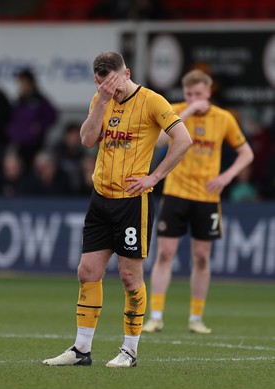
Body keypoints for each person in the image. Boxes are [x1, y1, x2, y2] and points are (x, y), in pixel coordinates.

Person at [42, 51, 192, 368]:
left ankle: (130, 350)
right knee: (87, 272)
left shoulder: (153, 101)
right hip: (100, 198)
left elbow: (183, 139)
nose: (112, 90)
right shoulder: (101, 99)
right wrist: (100, 101)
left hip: (131, 201)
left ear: (127, 73)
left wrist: (155, 176)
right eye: (101, 83)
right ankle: (81, 350)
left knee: (129, 277)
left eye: (114, 83)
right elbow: (86, 140)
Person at [142, 69, 254, 334]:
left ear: (209, 92)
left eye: (198, 94)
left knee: (202, 257)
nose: (194, 98)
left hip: (206, 196)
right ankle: (156, 315)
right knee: (166, 253)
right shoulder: (175, 111)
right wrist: (189, 111)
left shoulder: (223, 118)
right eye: (189, 94)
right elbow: (157, 141)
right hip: (176, 192)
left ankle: (196, 318)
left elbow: (246, 153)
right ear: (184, 93)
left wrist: (226, 177)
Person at [6, 68, 58, 170]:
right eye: (20, 83)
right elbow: (12, 121)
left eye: (23, 83)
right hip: (19, 146)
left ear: (30, 83)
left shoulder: (39, 100)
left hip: (36, 146)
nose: (21, 86)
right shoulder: (18, 101)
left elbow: (52, 116)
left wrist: (40, 126)